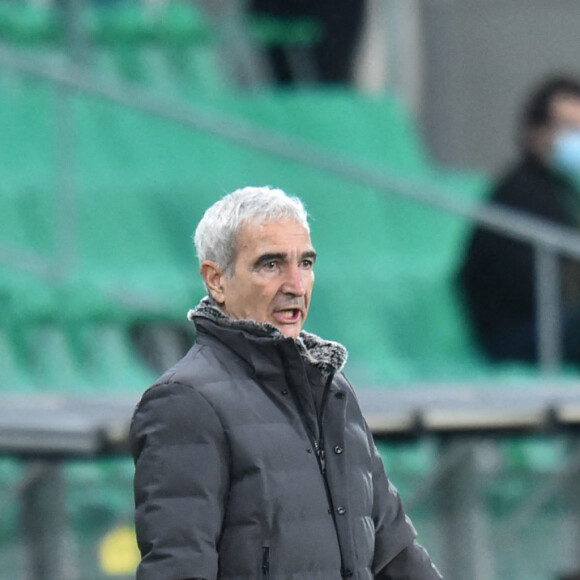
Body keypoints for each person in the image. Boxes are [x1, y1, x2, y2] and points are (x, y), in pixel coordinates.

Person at [130, 186, 442, 580]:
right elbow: (179, 570)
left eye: (306, 263)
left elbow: (394, 552)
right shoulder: (184, 403)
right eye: (271, 264)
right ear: (216, 280)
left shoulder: (332, 389)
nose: (296, 284)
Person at [458, 75, 580, 364]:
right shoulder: (516, 194)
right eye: (566, 128)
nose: (575, 138)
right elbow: (535, 290)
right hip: (515, 335)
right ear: (533, 132)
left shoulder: (567, 190)